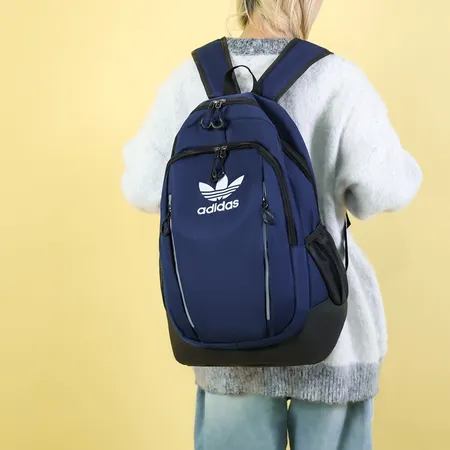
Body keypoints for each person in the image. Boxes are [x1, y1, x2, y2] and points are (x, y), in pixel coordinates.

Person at [121, 1, 422, 448]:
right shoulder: (336, 80)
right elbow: (385, 192)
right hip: (329, 335)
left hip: (226, 334)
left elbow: (142, 187)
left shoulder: (191, 80)